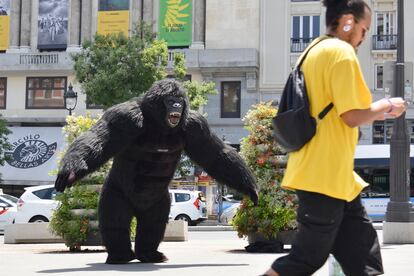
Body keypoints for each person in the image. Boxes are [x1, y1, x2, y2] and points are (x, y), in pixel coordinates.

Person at [262, 0, 407, 275]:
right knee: (305, 259)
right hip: (324, 177)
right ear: (348, 22)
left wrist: (377, 113)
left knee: (364, 258)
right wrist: (388, 105)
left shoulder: (313, 50)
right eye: (363, 30)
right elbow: (351, 115)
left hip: (335, 179)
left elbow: (335, 110)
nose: (364, 37)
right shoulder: (341, 52)